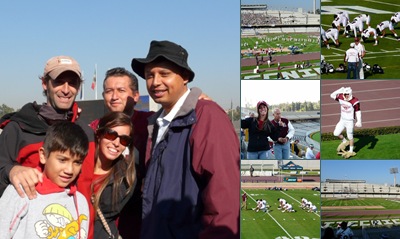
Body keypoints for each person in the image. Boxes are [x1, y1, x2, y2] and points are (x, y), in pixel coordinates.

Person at [131, 40, 240, 238]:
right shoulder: (156, 123)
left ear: (185, 77)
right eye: (149, 75)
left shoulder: (207, 116)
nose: (155, 82)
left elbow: (224, 202)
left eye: (164, 74)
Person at [0, 56, 97, 238]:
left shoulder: (87, 133)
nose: (66, 90)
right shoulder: (19, 128)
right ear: (45, 84)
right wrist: (10, 170)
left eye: (73, 83)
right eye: (59, 82)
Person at [89, 67, 153, 239]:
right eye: (109, 91)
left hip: (138, 224)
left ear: (136, 96)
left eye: (121, 90)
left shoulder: (152, 124)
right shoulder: (92, 129)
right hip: (101, 226)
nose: (114, 96)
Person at [0, 121, 90, 238]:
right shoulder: (21, 191)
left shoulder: (80, 201)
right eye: (62, 160)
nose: (69, 170)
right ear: (43, 155)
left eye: (77, 162)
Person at [92, 112, 136, 238]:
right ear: (99, 134)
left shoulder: (126, 178)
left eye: (124, 139)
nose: (117, 143)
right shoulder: (77, 165)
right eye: (111, 134)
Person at [330, 87, 362, 159]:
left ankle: (351, 151)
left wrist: (359, 120)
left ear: (350, 94)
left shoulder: (355, 101)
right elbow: (332, 95)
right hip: (342, 119)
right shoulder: (341, 97)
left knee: (350, 136)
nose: (346, 95)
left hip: (350, 121)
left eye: (347, 94)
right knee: (336, 133)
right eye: (345, 94)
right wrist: (339, 90)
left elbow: (358, 111)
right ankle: (344, 141)